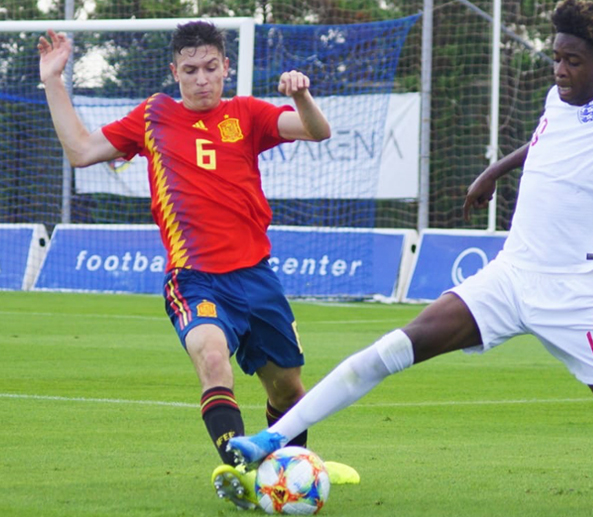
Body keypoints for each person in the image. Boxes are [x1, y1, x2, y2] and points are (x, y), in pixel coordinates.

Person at [229, 0, 593, 510]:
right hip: (511, 277)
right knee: (391, 350)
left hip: (576, 296)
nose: (561, 69)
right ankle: (275, 438)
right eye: (556, 57)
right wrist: (495, 170)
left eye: (574, 61)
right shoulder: (556, 96)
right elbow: (546, 139)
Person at [37, 21, 357, 511]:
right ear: (175, 72)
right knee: (212, 359)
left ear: (226, 67)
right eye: (190, 70)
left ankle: (293, 468)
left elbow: (317, 130)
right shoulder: (153, 116)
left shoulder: (246, 115)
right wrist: (53, 80)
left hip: (255, 276)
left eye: (211, 68)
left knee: (288, 387)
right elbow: (81, 151)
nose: (202, 78)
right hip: (193, 277)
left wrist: (303, 96)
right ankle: (238, 472)